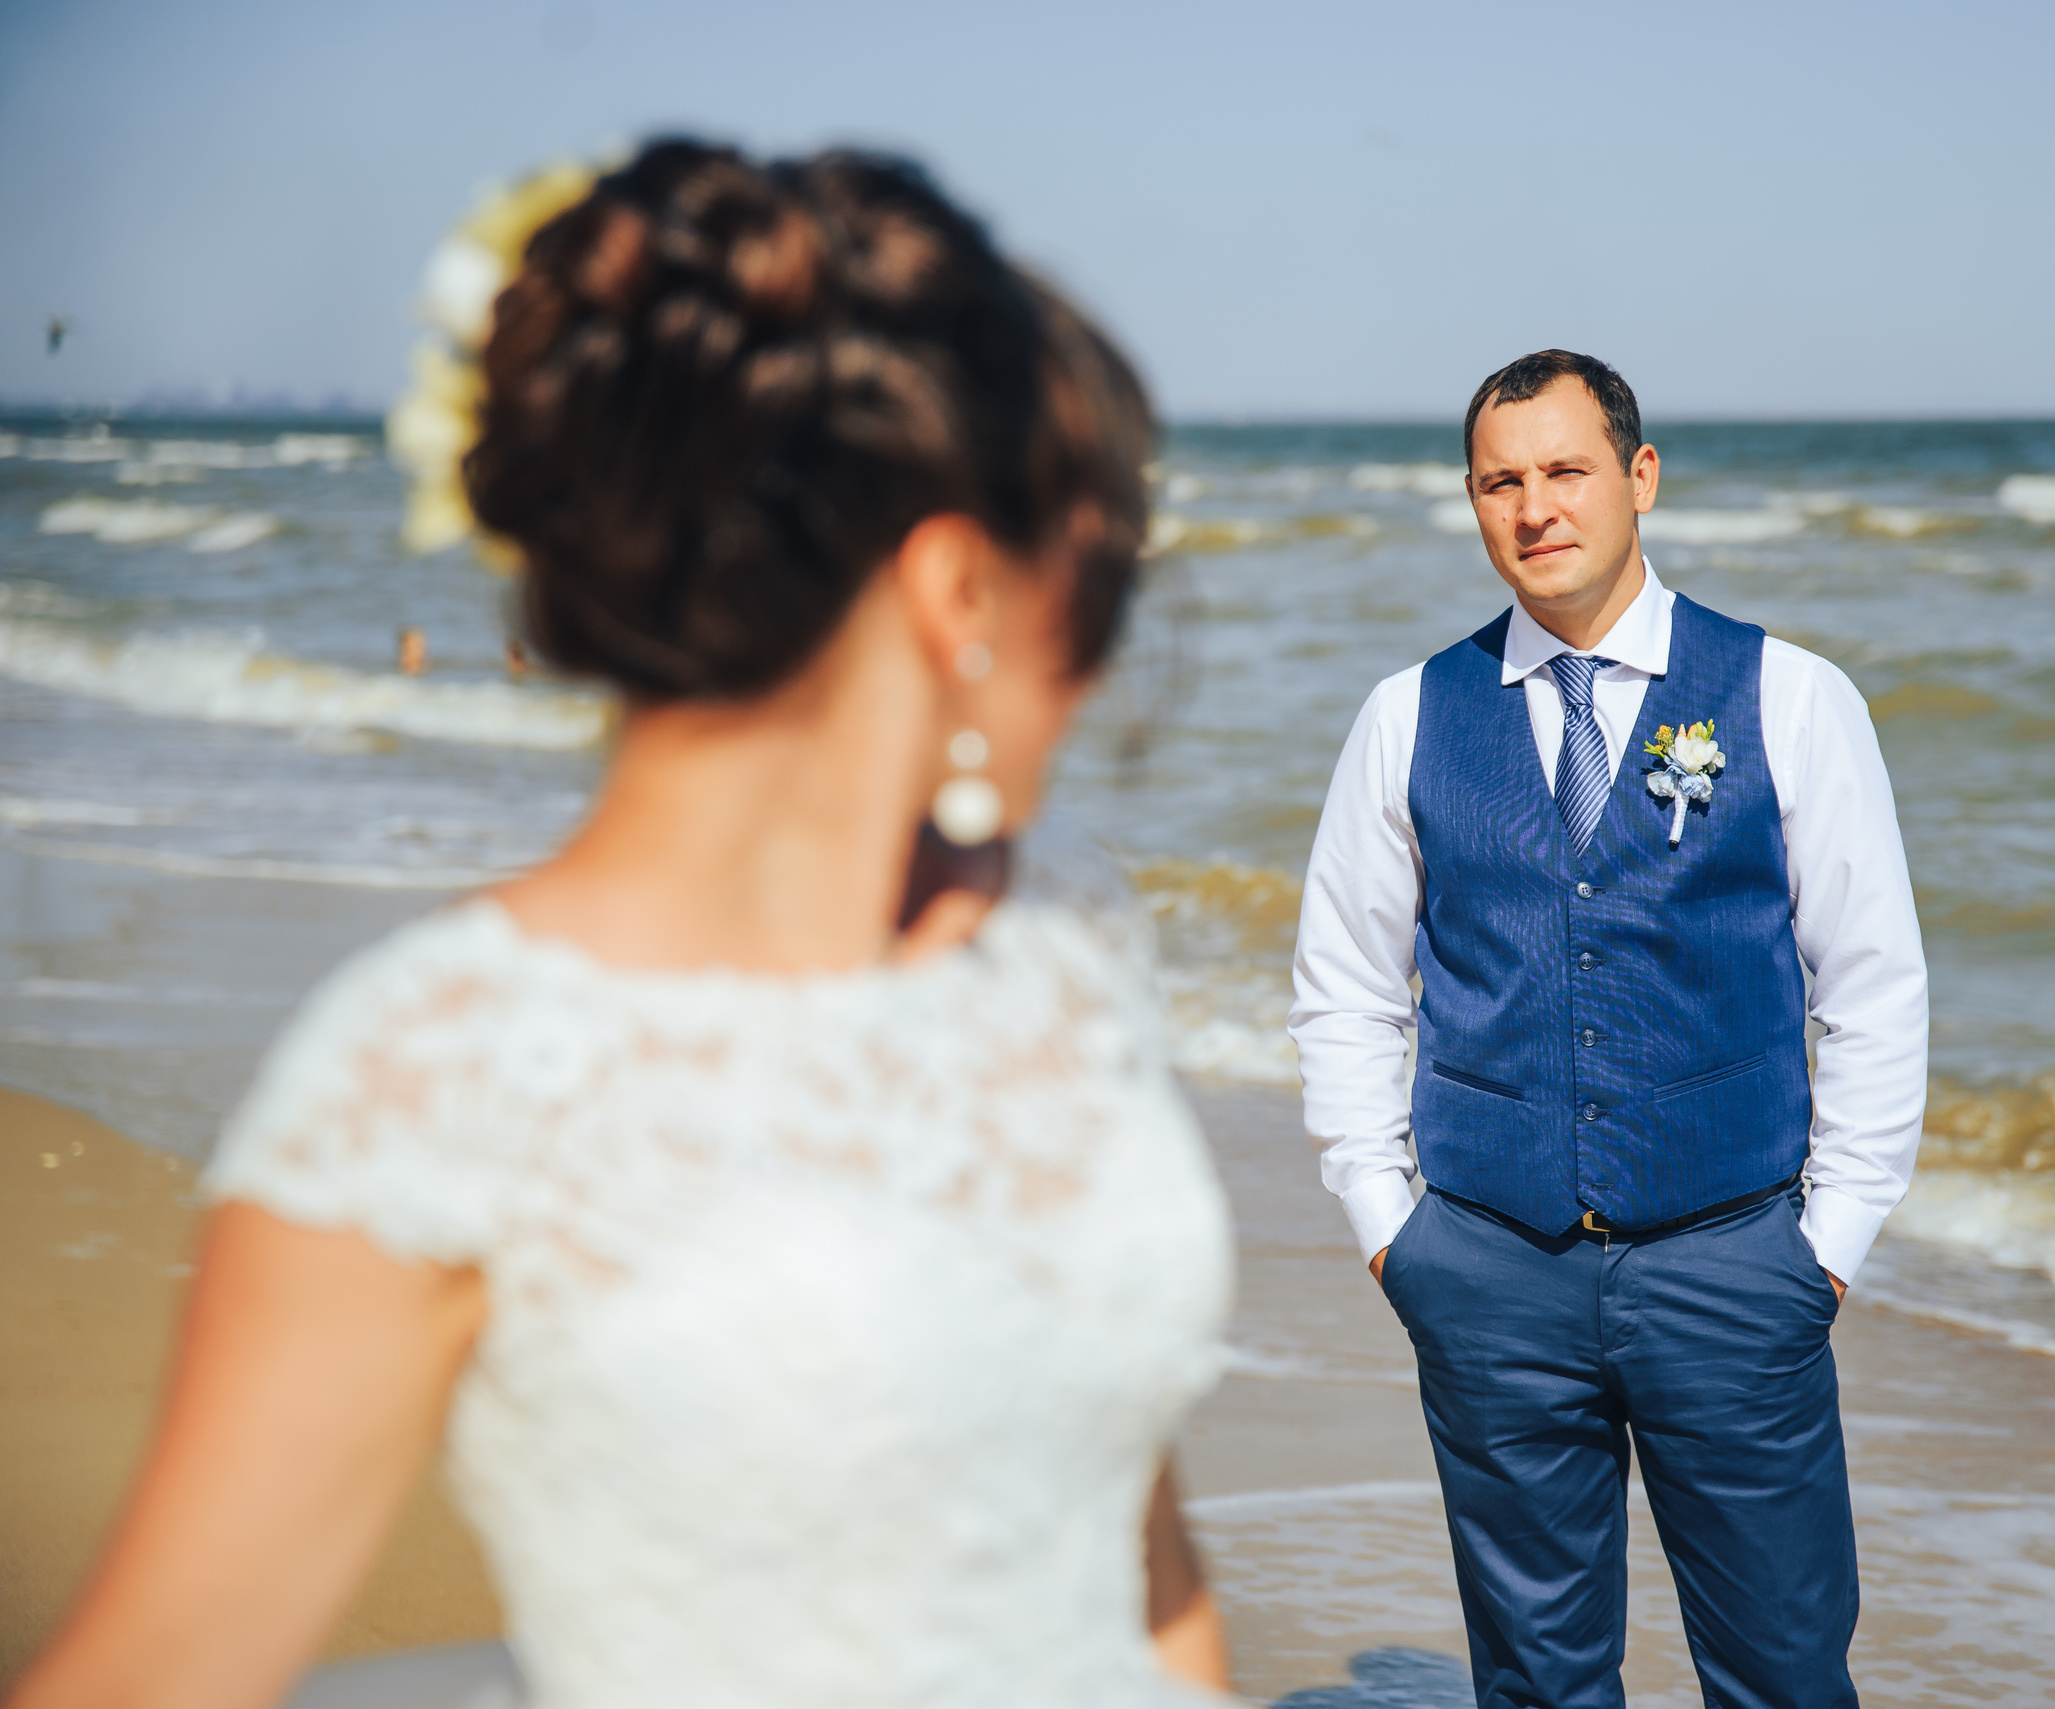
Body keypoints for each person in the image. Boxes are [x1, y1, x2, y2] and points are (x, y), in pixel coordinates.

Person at [11, 140, 1235, 1709]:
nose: (1098, 672)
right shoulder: (442, 1070)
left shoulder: (1060, 933)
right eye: (1094, 588)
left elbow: (1138, 1565)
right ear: (957, 594)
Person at [1289, 351, 1927, 1709]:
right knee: (1536, 1683)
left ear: (1638, 477)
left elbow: (1870, 981)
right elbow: (1344, 980)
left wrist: (1829, 1245)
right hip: (1487, 1269)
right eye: (1499, 480)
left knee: (1786, 1673)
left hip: (1733, 1266)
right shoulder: (1407, 716)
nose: (1534, 507)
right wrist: (1389, 1224)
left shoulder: (1789, 697)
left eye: (1564, 469)